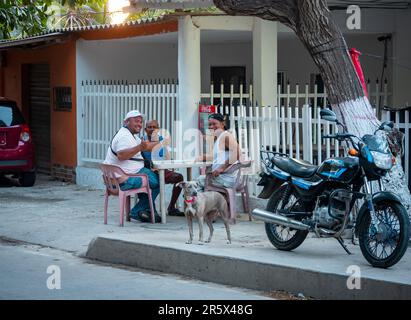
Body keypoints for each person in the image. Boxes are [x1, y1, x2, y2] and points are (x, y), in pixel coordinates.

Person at [104, 110, 161, 223]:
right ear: (126, 122)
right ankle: (137, 211)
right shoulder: (124, 136)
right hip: (124, 180)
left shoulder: (131, 136)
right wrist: (139, 148)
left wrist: (161, 142)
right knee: (156, 182)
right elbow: (121, 155)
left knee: (150, 178)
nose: (139, 124)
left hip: (122, 177)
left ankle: (147, 211)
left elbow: (146, 146)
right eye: (136, 121)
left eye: (140, 122)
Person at [142, 120, 185, 217]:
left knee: (179, 178)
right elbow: (141, 159)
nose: (152, 129)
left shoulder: (162, 140)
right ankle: (148, 209)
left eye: (155, 127)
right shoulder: (142, 141)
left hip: (162, 170)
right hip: (149, 171)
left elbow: (167, 156)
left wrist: (170, 163)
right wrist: (150, 166)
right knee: (155, 181)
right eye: (150, 127)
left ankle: (171, 207)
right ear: (145, 130)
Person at [197, 113, 240, 189]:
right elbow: (220, 156)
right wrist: (204, 157)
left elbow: (237, 153)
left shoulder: (226, 136)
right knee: (200, 181)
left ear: (223, 124)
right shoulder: (219, 137)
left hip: (225, 179)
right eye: (210, 124)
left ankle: (204, 200)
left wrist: (221, 168)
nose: (211, 127)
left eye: (214, 124)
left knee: (194, 184)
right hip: (222, 178)